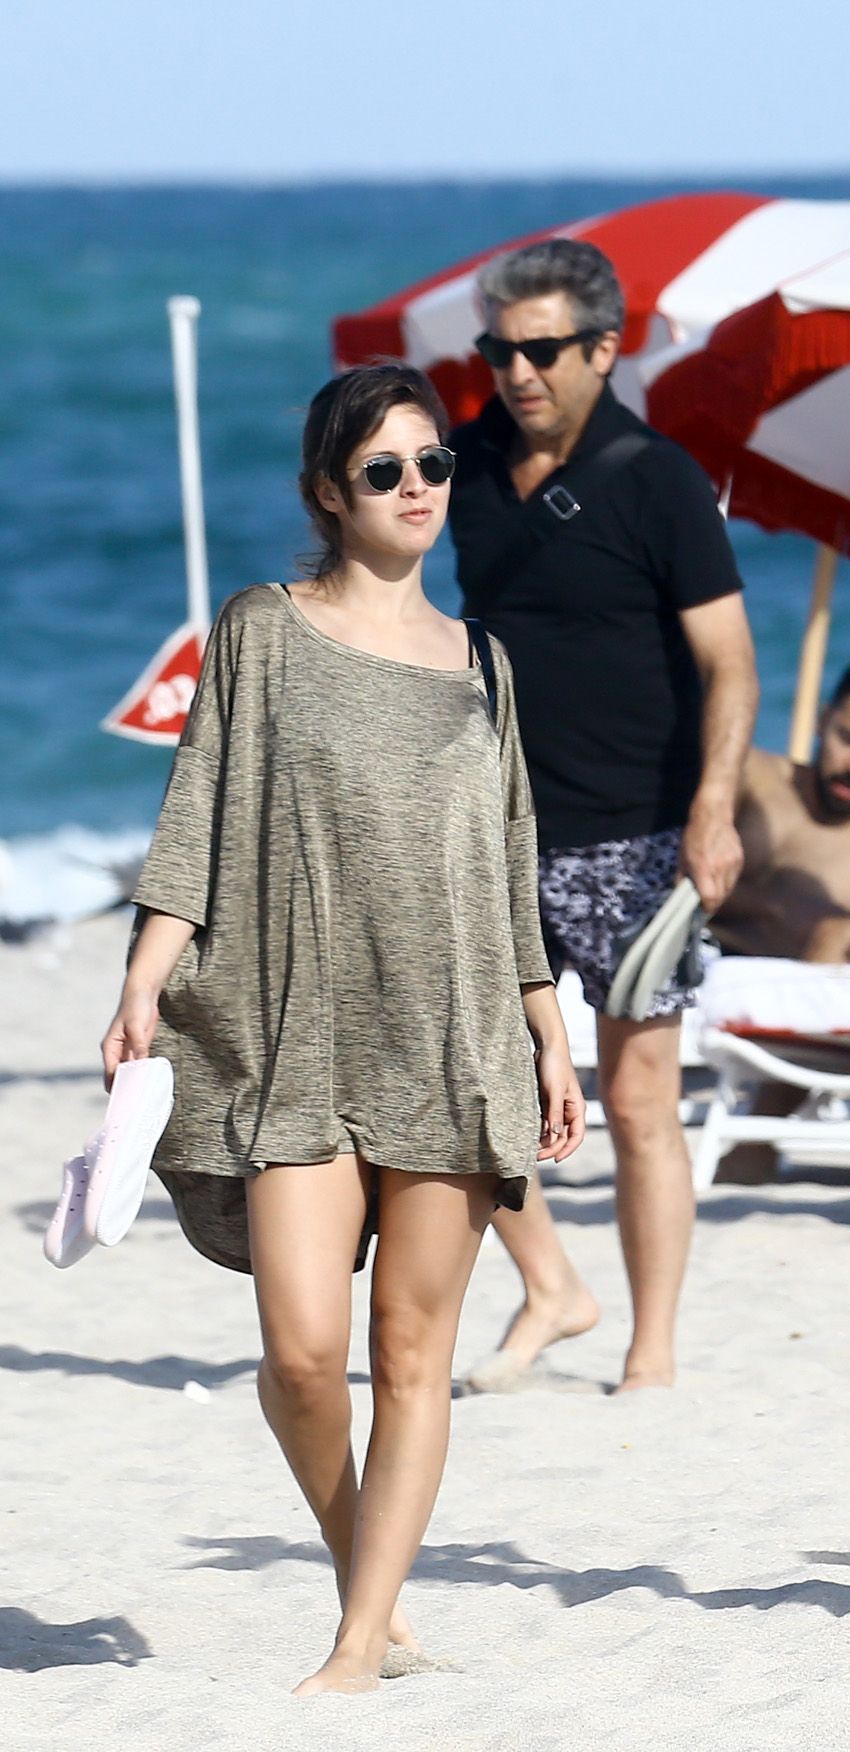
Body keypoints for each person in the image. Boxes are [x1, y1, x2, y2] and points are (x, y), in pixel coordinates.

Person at [102, 363, 587, 1695]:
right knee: (303, 1356)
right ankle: (364, 1573)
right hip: (292, 1030)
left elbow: (509, 861)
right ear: (329, 493)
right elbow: (195, 812)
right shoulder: (260, 629)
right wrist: (145, 976)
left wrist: (547, 1033)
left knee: (411, 1355)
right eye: (385, 473)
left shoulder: (481, 656)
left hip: (454, 1036)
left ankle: (362, 1642)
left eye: (432, 465)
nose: (417, 490)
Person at [447, 239, 759, 1394]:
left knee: (635, 1102)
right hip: (494, 825)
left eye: (538, 351)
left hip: (638, 829)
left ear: (602, 349)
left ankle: (652, 1349)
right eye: (497, 351)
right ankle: (551, 1288)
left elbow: (729, 661)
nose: (516, 372)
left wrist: (714, 812)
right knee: (473, 1093)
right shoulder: (461, 465)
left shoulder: (656, 477)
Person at [712, 660, 850, 963]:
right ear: (823, 721)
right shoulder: (749, 777)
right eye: (848, 739)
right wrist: (776, 906)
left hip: (775, 997)